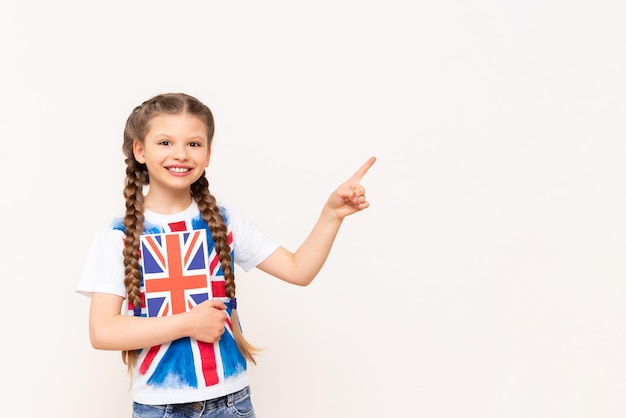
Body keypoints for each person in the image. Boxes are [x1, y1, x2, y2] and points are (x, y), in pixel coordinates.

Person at [77, 92, 375, 418]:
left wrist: (331, 215)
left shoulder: (226, 221)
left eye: (194, 144)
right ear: (139, 150)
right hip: (159, 409)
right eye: (165, 142)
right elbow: (103, 331)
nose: (180, 154)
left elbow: (298, 270)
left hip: (232, 403)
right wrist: (188, 323)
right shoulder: (117, 236)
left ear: (208, 154)